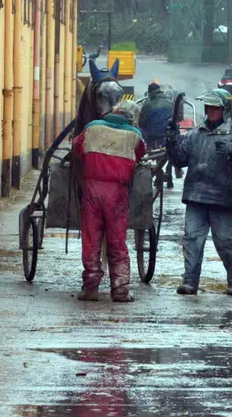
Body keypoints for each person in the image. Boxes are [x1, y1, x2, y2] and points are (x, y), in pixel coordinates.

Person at [166, 89, 232, 297]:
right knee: (192, 239)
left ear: (225, 110)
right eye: (208, 107)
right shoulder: (196, 133)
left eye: (215, 108)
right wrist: (171, 140)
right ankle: (190, 282)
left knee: (225, 242)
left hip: (223, 198)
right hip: (195, 196)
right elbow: (180, 159)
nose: (210, 111)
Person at [72, 100, 146, 303]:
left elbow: (77, 148)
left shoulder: (92, 127)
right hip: (117, 193)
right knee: (117, 241)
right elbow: (140, 154)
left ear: (115, 111)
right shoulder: (135, 135)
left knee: (91, 240)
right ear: (132, 118)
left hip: (92, 190)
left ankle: (91, 289)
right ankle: (120, 291)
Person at [138, 81, 173, 150]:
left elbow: (141, 124)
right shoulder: (170, 104)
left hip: (152, 137)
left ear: (150, 94)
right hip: (168, 135)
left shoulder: (147, 106)